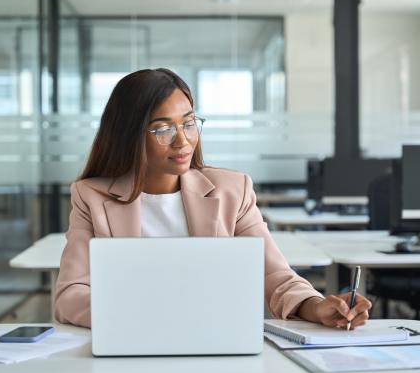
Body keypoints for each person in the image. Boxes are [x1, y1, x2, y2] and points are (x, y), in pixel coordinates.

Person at [54, 68, 371, 329]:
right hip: (130, 338)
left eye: (189, 123)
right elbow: (71, 293)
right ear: (128, 135)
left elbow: (276, 277)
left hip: (217, 339)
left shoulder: (233, 190)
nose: (183, 141)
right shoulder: (91, 197)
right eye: (162, 129)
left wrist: (316, 306)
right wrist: (138, 317)